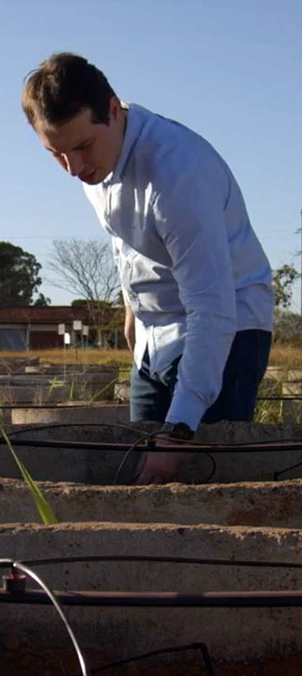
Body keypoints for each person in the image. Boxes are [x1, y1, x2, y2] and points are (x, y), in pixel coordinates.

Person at [21, 53, 274, 485]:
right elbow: (126, 236)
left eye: (81, 147)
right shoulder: (93, 161)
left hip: (224, 333)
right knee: (141, 475)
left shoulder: (177, 175)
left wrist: (178, 434)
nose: (74, 169)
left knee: (201, 486)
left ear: (114, 111)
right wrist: (131, 312)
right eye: (56, 154)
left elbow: (212, 312)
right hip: (153, 339)